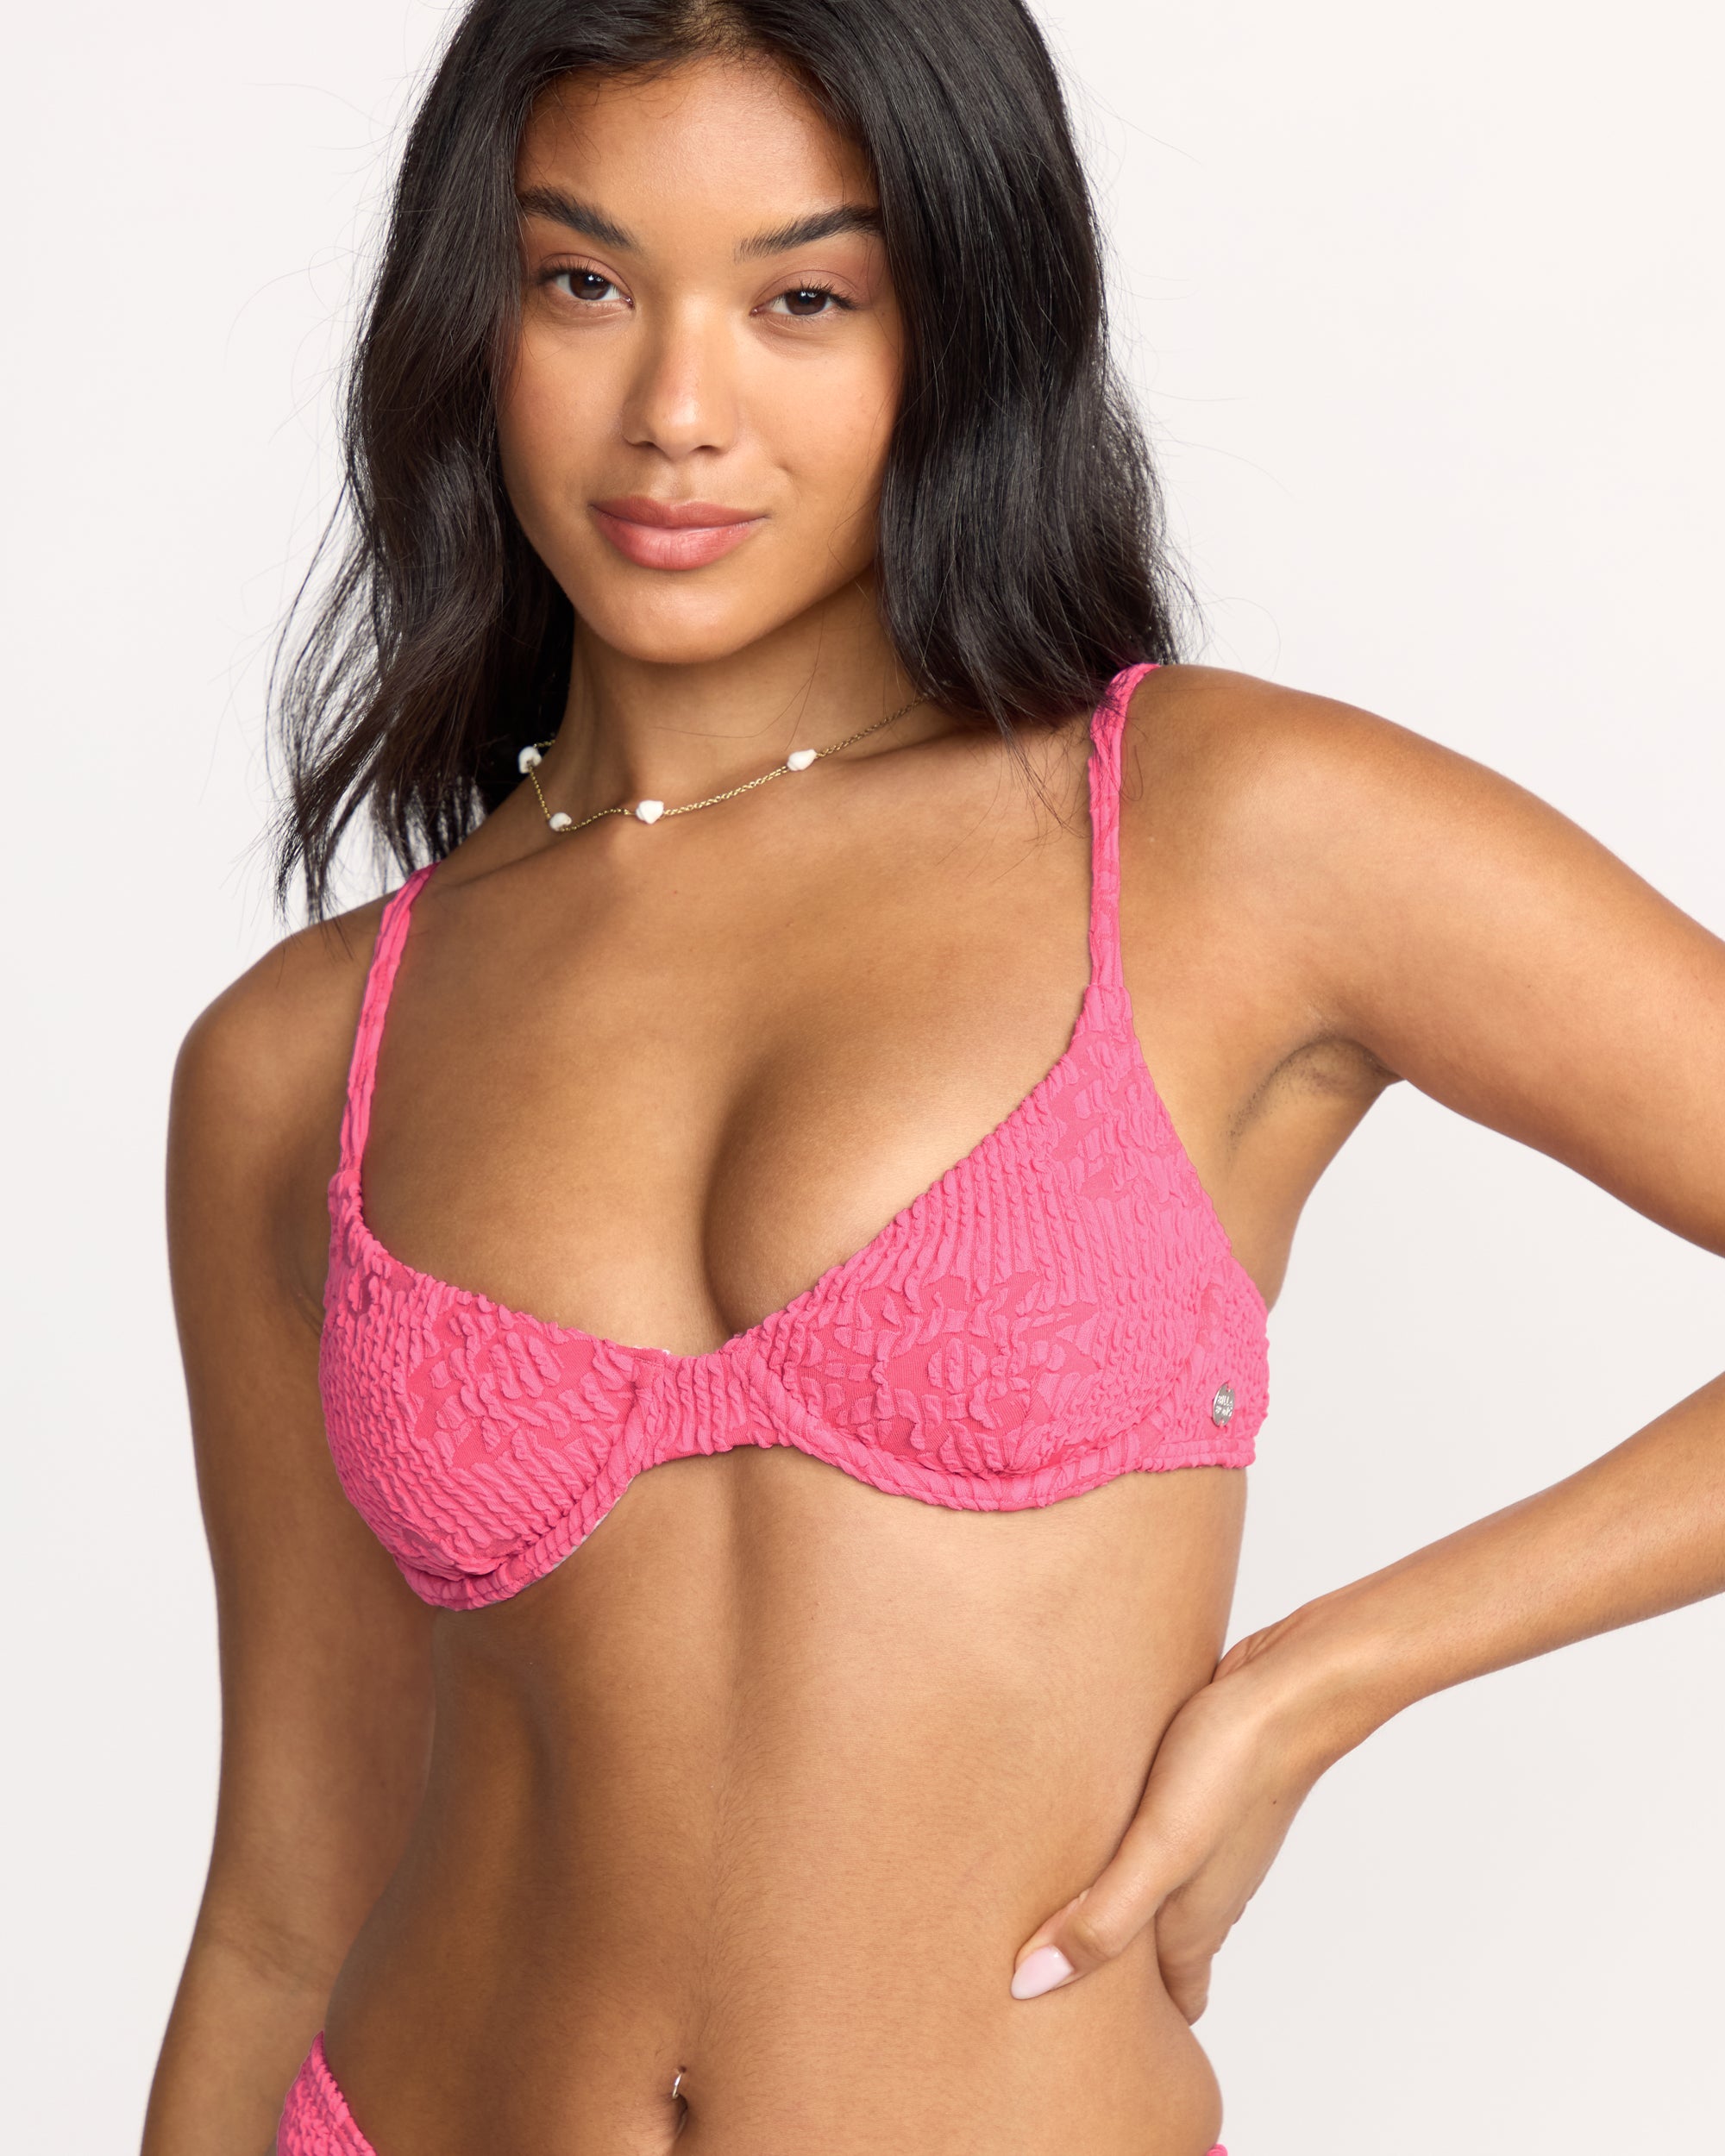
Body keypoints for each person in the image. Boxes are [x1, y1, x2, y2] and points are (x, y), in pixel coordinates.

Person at [141, 2, 1725, 2152]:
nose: (676, 410)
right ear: (467, 323)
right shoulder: (297, 1055)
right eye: (583, 283)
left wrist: (1320, 1679)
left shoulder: (1222, 835)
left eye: (805, 299)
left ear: (960, 324)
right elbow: (286, 1887)